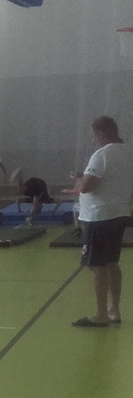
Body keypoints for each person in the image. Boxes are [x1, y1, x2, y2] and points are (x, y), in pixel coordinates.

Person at [71, 115, 133, 327]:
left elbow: (87, 186)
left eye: (93, 136)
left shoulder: (102, 154)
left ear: (100, 133)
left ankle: (100, 314)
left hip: (99, 216)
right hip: (119, 212)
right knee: (112, 262)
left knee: (96, 264)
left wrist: (79, 179)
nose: (93, 140)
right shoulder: (128, 151)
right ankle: (114, 309)